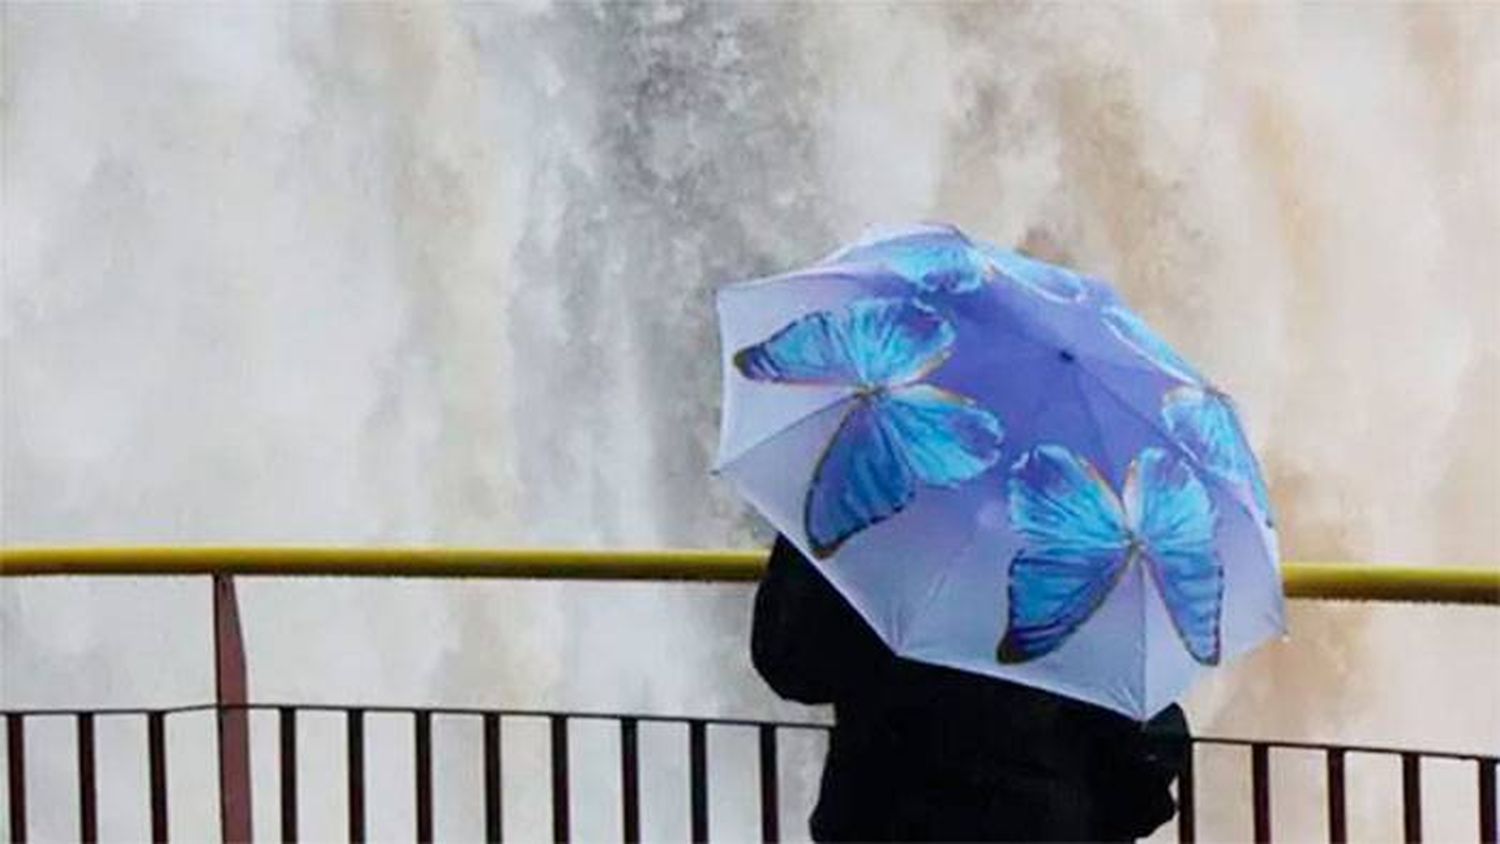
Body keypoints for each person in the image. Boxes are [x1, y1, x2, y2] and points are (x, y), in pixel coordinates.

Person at [752, 535, 1190, 843]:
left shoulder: (862, 489)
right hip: (1040, 821)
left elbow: (790, 663)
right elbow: (1144, 743)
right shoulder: (1091, 529)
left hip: (880, 813)